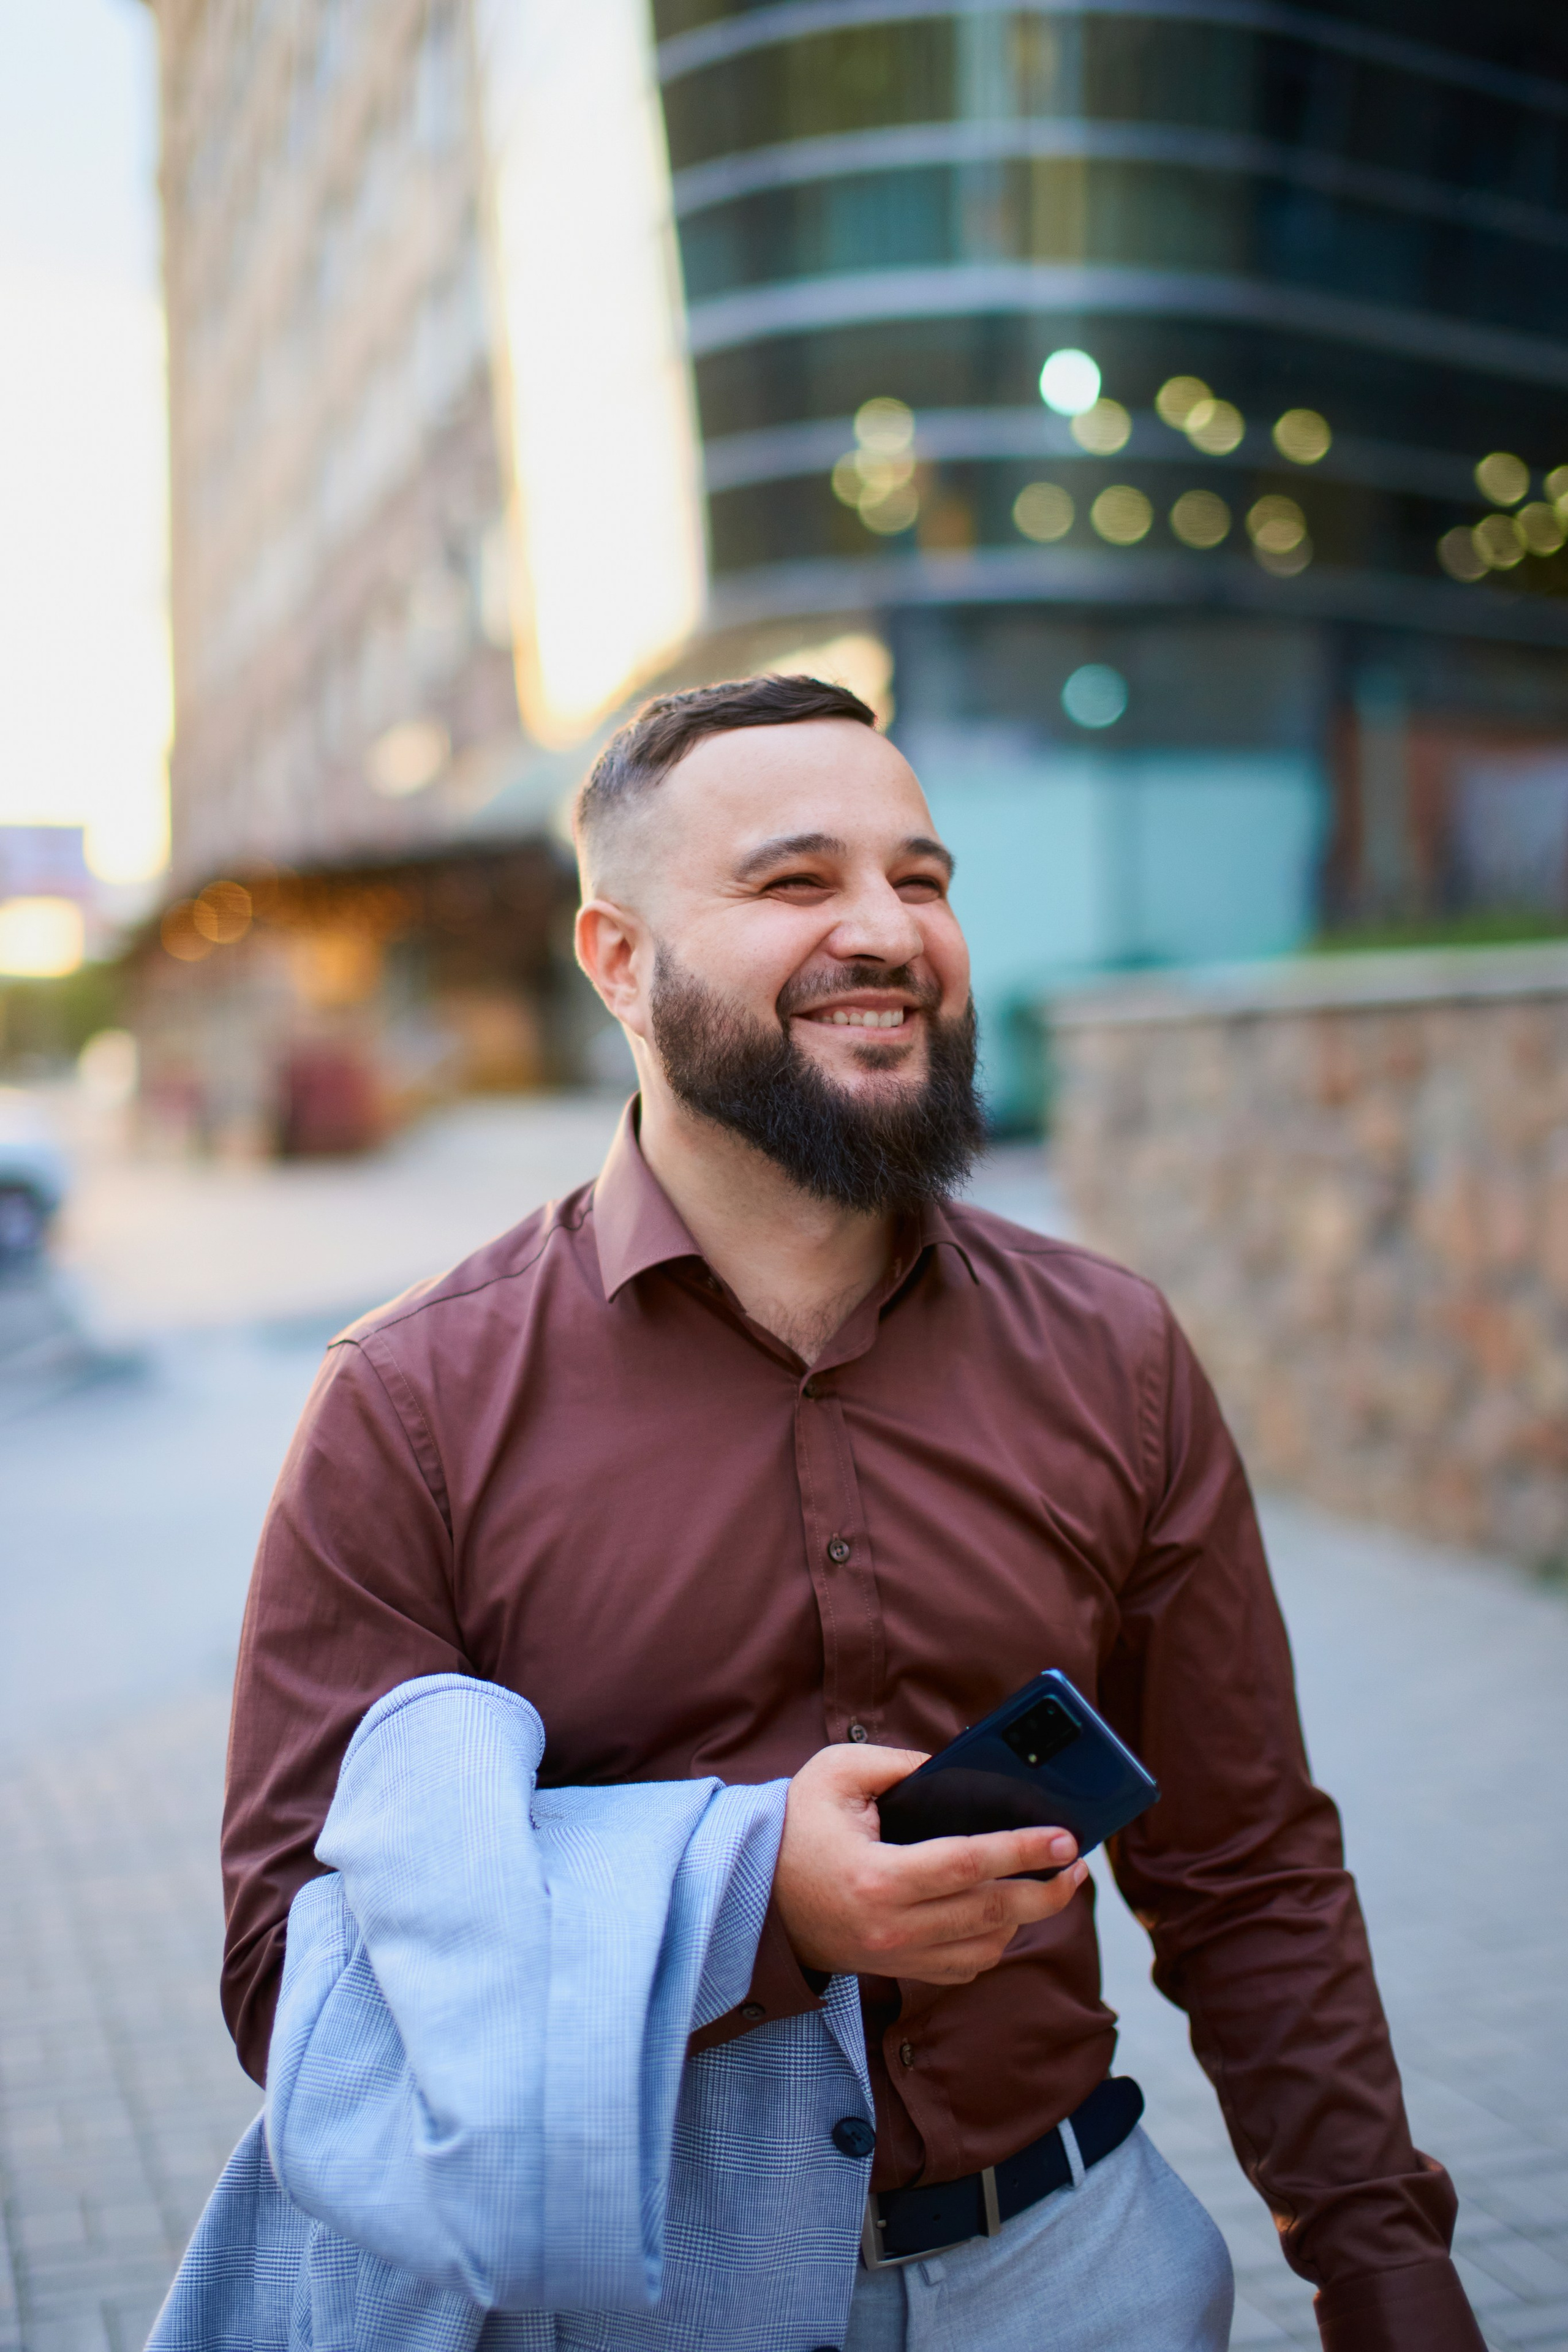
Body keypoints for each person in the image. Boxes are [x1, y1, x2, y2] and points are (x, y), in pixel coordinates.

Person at [222, 674, 1483, 2352]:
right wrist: (754, 1909)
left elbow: (1250, 1873)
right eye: (797, 883)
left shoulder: (1113, 1351)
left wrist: (1388, 2278)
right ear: (616, 958)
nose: (888, 931)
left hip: (1081, 2274)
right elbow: (289, 1970)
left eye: (925, 877)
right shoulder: (410, 1405)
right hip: (645, 2299)